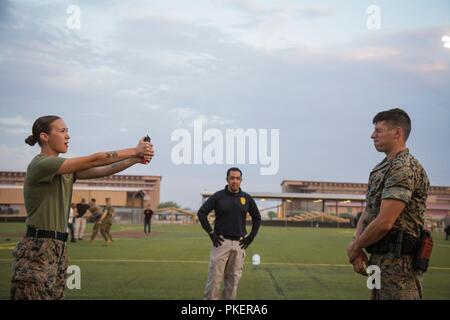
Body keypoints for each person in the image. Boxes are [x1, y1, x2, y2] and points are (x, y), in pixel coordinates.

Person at [10, 115, 154, 300]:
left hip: (58, 248)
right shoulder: (41, 164)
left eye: (67, 131)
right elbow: (95, 160)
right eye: (62, 131)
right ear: (44, 136)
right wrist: (135, 150)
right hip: (38, 248)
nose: (67, 136)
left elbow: (105, 169)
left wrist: (135, 158)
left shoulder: (66, 170)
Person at [347, 108, 429, 300]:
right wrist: (358, 247)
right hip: (379, 261)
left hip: (401, 266)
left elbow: (385, 221)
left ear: (397, 133)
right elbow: (368, 212)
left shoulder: (404, 167)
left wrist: (355, 247)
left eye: (378, 130)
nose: (372, 135)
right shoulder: (381, 169)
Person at [197, 167, 261, 300]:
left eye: (238, 178)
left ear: (241, 180)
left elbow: (257, 218)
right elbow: (201, 213)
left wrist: (251, 237)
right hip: (221, 243)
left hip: (239, 245)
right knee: (214, 281)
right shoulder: (218, 196)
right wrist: (211, 233)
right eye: (232, 178)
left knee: (232, 283)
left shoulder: (247, 198)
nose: (235, 181)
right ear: (227, 179)